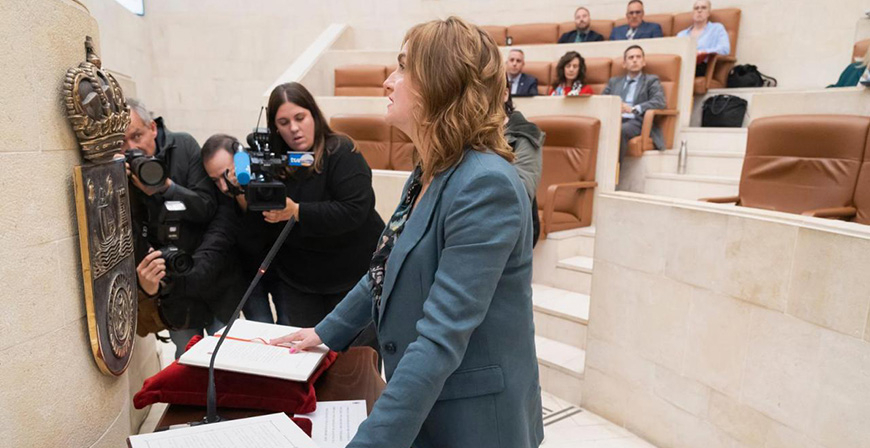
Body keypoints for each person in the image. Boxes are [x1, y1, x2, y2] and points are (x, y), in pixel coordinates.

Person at [271, 16, 543, 448]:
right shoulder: (430, 170)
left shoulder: (486, 184)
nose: (388, 82)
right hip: (430, 403)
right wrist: (323, 332)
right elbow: (385, 270)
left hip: (473, 420)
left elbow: (440, 337)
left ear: (439, 82)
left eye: (403, 67)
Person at [263, 82, 385, 343]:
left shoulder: (342, 151)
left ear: (314, 115)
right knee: (304, 360)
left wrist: (297, 211)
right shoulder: (274, 163)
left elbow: (355, 210)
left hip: (352, 280)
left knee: (356, 361)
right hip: (300, 283)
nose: (294, 128)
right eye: (284, 122)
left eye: (300, 118)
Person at [122, 98, 222, 359]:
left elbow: (207, 208)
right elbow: (130, 236)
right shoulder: (120, 172)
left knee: (227, 358)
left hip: (213, 278)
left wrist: (166, 187)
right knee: (189, 361)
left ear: (152, 128)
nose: (132, 148)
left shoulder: (183, 146)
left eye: (137, 136)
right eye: (122, 142)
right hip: (173, 289)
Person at [200, 134, 281, 324]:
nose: (223, 186)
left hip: (281, 268)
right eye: (215, 180)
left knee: (290, 326)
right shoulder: (218, 197)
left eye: (226, 174)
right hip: (246, 275)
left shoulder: (265, 175)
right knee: (260, 329)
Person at [602, 45, 666, 160]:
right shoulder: (614, 82)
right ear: (624, 64)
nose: (635, 60)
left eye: (638, 57)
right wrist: (616, 106)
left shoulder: (651, 80)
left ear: (644, 62)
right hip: (615, 118)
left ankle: (615, 169)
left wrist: (634, 109)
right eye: (631, 57)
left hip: (637, 120)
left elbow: (659, 101)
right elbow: (603, 100)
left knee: (620, 130)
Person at [504, 83, 544, 245]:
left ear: (505, 94)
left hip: (514, 229)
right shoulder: (470, 132)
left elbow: (522, 195)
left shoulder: (525, 134)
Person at [676, 0, 730, 76]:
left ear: (709, 13)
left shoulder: (717, 28)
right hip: (682, 65)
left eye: (703, 8)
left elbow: (725, 49)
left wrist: (704, 52)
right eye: (696, 8)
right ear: (692, 13)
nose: (699, 11)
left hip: (702, 66)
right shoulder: (681, 34)